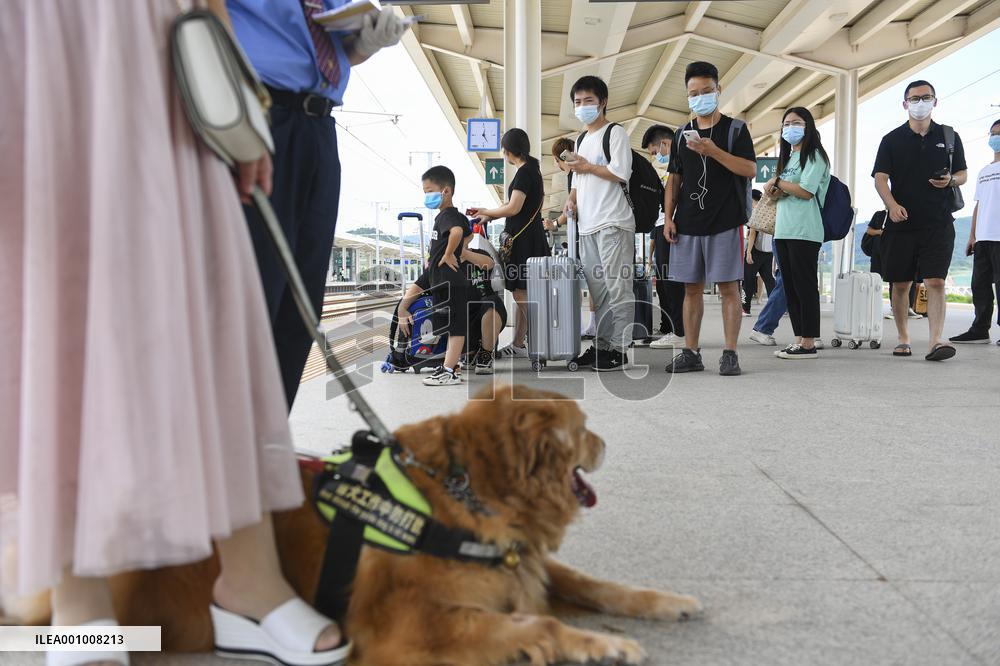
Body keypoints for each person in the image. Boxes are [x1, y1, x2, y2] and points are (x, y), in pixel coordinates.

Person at [0, 1, 348, 665]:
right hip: (38, 33)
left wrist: (232, 86)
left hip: (158, 35)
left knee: (211, 307)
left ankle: (248, 578)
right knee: (55, 291)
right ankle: (80, 602)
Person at [229, 0, 409, 407]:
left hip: (320, 127)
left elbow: (335, 50)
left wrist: (369, 42)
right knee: (252, 297)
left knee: (298, 309)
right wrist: (236, 109)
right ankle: (225, 448)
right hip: (257, 109)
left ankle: (269, 440)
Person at [664, 61, 757, 376]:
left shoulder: (736, 130)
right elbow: (674, 179)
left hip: (725, 221)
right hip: (688, 222)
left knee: (729, 287)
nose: (700, 97)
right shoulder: (680, 134)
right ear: (687, 96)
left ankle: (730, 353)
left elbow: (750, 169)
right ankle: (691, 351)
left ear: (719, 90)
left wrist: (713, 151)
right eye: (693, 93)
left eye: (706, 91)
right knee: (691, 289)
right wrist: (668, 217)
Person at [873, 79, 968, 361]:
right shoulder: (891, 139)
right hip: (901, 224)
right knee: (900, 284)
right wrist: (891, 205)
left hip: (938, 222)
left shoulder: (949, 136)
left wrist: (951, 180)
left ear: (935, 101)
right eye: (914, 99)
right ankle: (903, 338)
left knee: (935, 281)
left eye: (926, 97)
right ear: (905, 104)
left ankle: (936, 340)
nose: (920, 103)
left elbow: (962, 174)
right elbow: (880, 179)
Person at [562, 76, 635, 371]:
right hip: (588, 226)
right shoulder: (581, 138)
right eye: (578, 102)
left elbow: (621, 172)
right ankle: (602, 346)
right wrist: (571, 198)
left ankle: (619, 349)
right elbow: (579, 178)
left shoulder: (615, 133)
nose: (583, 107)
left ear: (603, 102)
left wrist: (588, 166)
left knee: (618, 288)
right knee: (599, 292)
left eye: (588, 101)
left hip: (613, 222)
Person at [470, 129, 548, 359]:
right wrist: (489, 215)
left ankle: (541, 336)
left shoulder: (524, 173)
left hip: (524, 242)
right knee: (524, 291)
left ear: (507, 151)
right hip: (531, 239)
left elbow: (513, 208)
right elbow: (514, 205)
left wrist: (487, 211)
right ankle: (518, 343)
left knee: (520, 293)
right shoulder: (532, 169)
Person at [764, 107, 831, 360]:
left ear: (808, 126)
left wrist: (778, 183)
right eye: (786, 123)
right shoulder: (789, 157)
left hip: (805, 230)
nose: (790, 127)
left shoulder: (814, 155)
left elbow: (806, 190)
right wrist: (775, 190)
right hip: (783, 230)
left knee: (804, 286)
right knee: (790, 287)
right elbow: (787, 191)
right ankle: (799, 339)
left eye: (796, 122)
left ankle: (809, 342)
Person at [400, 244, 507, 377]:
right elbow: (416, 288)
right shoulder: (441, 263)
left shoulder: (479, 254)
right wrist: (402, 310)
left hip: (484, 317)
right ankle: (470, 352)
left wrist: (463, 252)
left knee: (493, 302)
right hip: (459, 323)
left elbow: (489, 264)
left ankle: (485, 355)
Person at [420, 166, 473, 386]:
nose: (426, 196)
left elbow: (459, 233)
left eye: (429, 191)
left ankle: (449, 371)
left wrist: (449, 253)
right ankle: (450, 367)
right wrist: (455, 251)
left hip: (449, 282)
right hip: (448, 282)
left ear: (446, 191)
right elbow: (467, 235)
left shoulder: (446, 215)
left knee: (455, 328)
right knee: (453, 327)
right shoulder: (455, 215)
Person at [950, 118, 1000, 345]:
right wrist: (972, 236)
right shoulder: (983, 171)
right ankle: (980, 329)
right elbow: (979, 204)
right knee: (979, 286)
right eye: (993, 133)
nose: (995, 138)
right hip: (983, 238)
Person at [548, 138, 599, 338]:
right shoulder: (580, 174)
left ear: (559, 158)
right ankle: (592, 324)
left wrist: (554, 224)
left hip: (582, 235)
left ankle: (580, 324)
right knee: (592, 281)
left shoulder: (574, 175)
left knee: (575, 281)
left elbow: (573, 208)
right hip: (587, 232)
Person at [641, 125, 686, 349]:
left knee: (674, 281)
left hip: (675, 224)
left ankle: (680, 331)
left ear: (665, 145)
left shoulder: (680, 163)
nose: (654, 157)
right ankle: (675, 328)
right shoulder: (664, 167)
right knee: (665, 281)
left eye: (654, 151)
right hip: (661, 225)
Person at [742, 191, 775, 316]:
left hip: (755, 251)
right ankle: (778, 307)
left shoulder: (755, 212)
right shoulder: (769, 211)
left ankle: (746, 308)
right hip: (768, 252)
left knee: (748, 279)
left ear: (753, 200)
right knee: (769, 280)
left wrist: (749, 252)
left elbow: (753, 233)